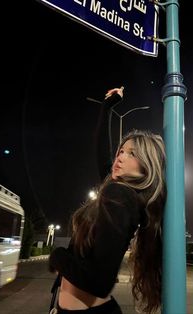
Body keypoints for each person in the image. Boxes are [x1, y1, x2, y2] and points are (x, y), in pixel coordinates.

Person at [48, 87, 167, 314]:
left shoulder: (121, 197)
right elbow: (102, 150)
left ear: (147, 167)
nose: (120, 156)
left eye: (131, 153)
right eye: (121, 151)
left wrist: (57, 257)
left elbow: (99, 282)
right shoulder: (120, 192)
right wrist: (107, 106)